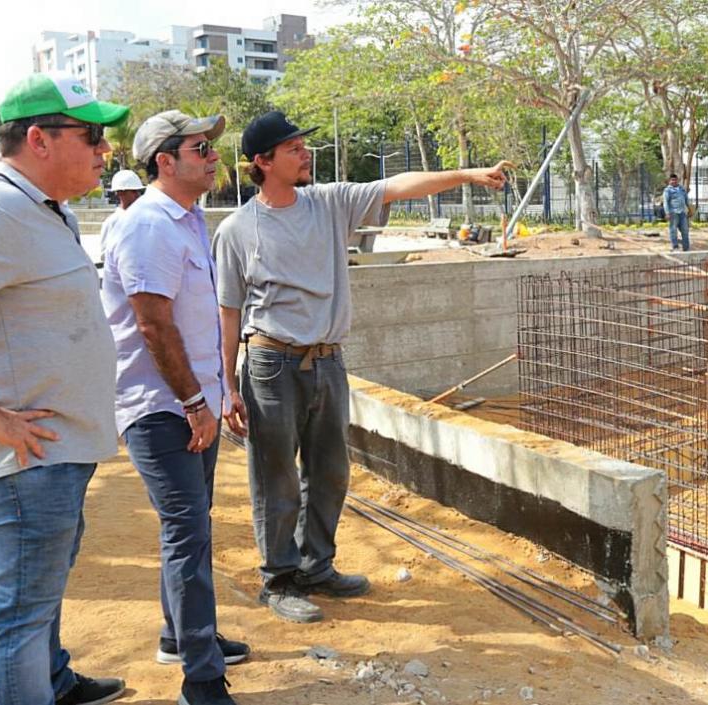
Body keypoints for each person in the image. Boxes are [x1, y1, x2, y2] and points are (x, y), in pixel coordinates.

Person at [214, 111, 511, 623]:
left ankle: (316, 566)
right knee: (277, 476)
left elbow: (396, 185)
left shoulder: (329, 203)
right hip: (269, 363)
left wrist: (467, 175)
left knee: (329, 472)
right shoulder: (238, 229)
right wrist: (226, 386)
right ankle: (279, 580)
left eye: (303, 146)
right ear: (262, 162)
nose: (305, 153)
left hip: (328, 360)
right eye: (292, 149)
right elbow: (227, 310)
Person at [0, 73, 129, 705]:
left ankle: (56, 683)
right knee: (18, 618)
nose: (104, 150)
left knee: (40, 599)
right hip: (19, 463)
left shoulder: (41, 207)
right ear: (39, 138)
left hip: (50, 455)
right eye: (91, 135)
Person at [102, 110, 249, 705]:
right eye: (200, 147)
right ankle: (202, 677)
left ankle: (182, 636)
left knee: (190, 528)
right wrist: (194, 402)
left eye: (211, 146)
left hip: (196, 402)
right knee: (187, 533)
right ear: (166, 160)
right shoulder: (148, 226)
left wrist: (214, 396)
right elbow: (152, 324)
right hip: (164, 407)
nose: (213, 155)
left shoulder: (187, 218)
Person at [98, 168, 145, 253]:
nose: (137, 195)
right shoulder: (112, 222)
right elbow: (105, 253)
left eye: (138, 191)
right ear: (119, 193)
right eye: (133, 191)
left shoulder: (144, 218)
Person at [662, 173, 691, 252]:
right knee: (673, 230)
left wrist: (689, 209)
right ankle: (675, 247)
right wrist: (667, 213)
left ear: (677, 180)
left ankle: (686, 247)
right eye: (672, 180)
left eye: (675, 180)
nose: (674, 181)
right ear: (669, 181)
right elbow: (665, 202)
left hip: (682, 213)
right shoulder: (668, 190)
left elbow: (686, 200)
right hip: (673, 213)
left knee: (685, 230)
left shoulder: (681, 189)